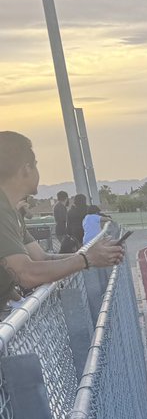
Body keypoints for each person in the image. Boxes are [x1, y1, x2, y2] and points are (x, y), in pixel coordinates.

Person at [0, 132, 125, 311]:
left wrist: (95, 255)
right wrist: (86, 259)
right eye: (36, 166)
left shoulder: (12, 212)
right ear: (26, 169)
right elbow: (26, 273)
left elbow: (43, 258)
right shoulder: (2, 212)